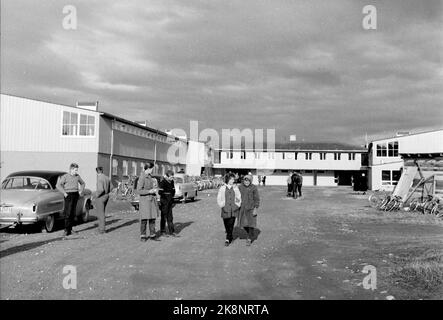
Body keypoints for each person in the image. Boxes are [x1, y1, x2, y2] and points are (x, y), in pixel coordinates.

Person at [56, 163, 85, 237]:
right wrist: (64, 193)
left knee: (73, 213)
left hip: (75, 195)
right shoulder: (65, 176)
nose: (76, 171)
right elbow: (58, 185)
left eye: (77, 170)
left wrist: (80, 191)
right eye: (75, 170)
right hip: (68, 195)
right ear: (71, 169)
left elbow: (83, 183)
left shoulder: (77, 176)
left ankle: (70, 229)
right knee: (68, 213)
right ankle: (66, 230)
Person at [137, 162, 160, 242]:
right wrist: (149, 191)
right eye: (152, 169)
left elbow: (152, 186)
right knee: (144, 219)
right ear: (148, 168)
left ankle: (152, 235)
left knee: (152, 218)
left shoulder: (150, 177)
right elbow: (139, 191)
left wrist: (155, 191)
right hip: (145, 202)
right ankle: (143, 236)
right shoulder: (142, 177)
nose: (153, 170)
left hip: (151, 201)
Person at [217, 173, 241, 246]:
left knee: (231, 224)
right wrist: (222, 205)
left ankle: (227, 239)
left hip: (233, 209)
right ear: (228, 179)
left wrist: (237, 205)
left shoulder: (235, 188)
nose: (233, 180)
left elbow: (238, 197)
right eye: (232, 179)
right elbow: (219, 198)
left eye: (233, 179)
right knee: (226, 225)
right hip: (225, 209)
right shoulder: (222, 188)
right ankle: (230, 235)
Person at [238, 174, 260, 246]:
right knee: (244, 224)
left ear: (250, 181)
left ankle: (249, 238)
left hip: (251, 208)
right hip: (242, 208)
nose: (246, 182)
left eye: (248, 181)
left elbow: (256, 198)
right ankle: (250, 233)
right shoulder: (240, 187)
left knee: (251, 223)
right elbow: (237, 196)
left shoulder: (254, 187)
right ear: (243, 180)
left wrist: (255, 208)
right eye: (245, 180)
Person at [94, 167, 112, 234]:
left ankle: (102, 229)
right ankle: (101, 228)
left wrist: (96, 195)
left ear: (97, 172)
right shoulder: (107, 177)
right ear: (102, 170)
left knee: (100, 214)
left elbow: (101, 190)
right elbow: (112, 187)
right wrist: (107, 192)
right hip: (106, 196)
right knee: (103, 212)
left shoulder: (99, 178)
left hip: (101, 197)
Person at [159, 170, 176, 237]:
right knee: (164, 217)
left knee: (170, 217)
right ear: (167, 176)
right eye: (171, 177)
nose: (172, 178)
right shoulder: (163, 182)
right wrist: (166, 198)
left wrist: (172, 197)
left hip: (170, 201)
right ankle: (162, 231)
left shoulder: (172, 182)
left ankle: (171, 231)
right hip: (164, 202)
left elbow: (173, 190)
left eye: (172, 177)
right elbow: (160, 192)